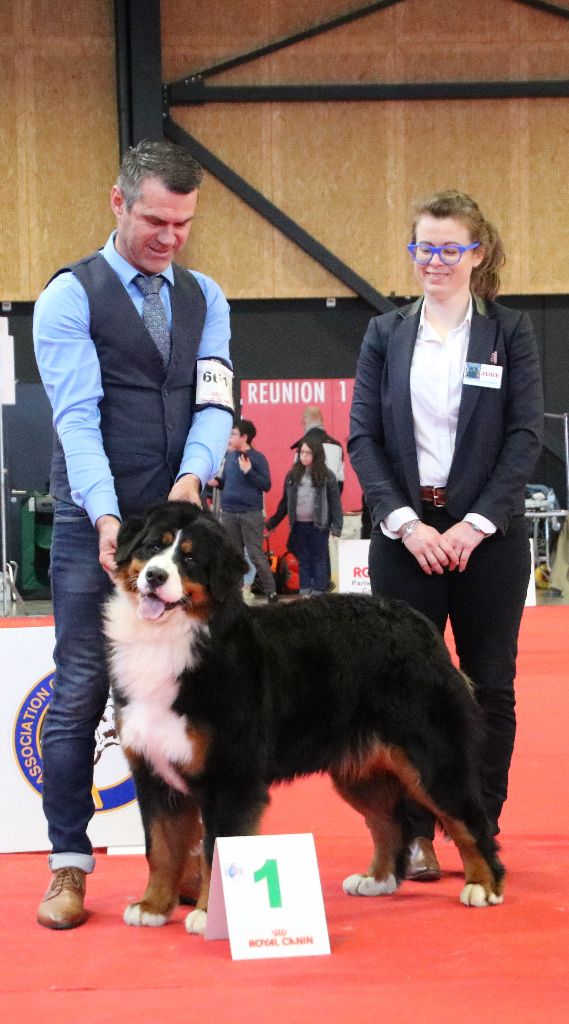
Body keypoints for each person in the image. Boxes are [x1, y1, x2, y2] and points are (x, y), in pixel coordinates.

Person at [33, 140, 234, 929]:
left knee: (187, 704)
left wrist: (190, 485)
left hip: (181, 536)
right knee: (82, 692)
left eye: (183, 223)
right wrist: (110, 516)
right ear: (117, 203)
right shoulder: (68, 298)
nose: (170, 236)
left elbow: (214, 400)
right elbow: (76, 419)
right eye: (155, 219)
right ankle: (68, 867)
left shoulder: (206, 294)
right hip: (97, 531)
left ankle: (182, 862)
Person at [348, 188, 544, 880]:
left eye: (448, 247)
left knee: (490, 686)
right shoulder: (384, 333)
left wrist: (474, 524)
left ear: (475, 253)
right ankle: (413, 837)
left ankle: (478, 827)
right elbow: (362, 439)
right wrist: (405, 523)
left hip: (487, 540)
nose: (433, 260)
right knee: (400, 691)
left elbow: (523, 436)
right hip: (405, 538)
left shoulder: (508, 333)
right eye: (422, 247)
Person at [266, 435, 343, 597]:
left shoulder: (328, 476)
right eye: (301, 452)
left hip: (319, 526)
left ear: (317, 454)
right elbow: (285, 503)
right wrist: (271, 523)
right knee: (303, 559)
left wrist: (336, 526)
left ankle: (320, 592)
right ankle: (305, 591)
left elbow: (335, 504)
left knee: (318, 559)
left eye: (308, 453)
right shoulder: (292, 475)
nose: (304, 456)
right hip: (299, 525)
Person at [218, 419, 278, 603]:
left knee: (255, 553)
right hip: (228, 513)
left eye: (233, 434)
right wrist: (217, 483)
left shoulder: (257, 458)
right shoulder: (228, 457)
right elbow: (226, 483)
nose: (230, 438)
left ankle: (271, 592)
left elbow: (266, 485)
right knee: (233, 555)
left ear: (244, 437)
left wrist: (249, 471)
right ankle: (237, 594)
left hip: (250, 513)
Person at [291, 406, 345, 492]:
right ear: (321, 420)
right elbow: (340, 482)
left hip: (307, 502)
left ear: (305, 420)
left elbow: (296, 481)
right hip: (331, 501)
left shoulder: (303, 446)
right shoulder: (337, 446)